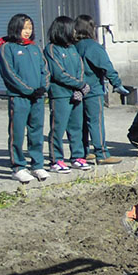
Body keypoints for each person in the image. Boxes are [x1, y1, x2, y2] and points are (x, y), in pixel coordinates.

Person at [0, 13, 50, 183]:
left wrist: (42, 88)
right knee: (17, 132)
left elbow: (45, 70)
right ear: (15, 28)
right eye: (24, 27)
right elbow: (9, 74)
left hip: (37, 98)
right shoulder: (6, 48)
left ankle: (37, 165)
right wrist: (28, 90)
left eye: (30, 28)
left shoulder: (35, 48)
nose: (27, 31)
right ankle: (18, 167)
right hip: (19, 98)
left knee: (36, 132)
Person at [74, 15, 131, 165]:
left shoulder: (73, 46)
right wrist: (117, 83)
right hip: (93, 90)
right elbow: (106, 67)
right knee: (95, 122)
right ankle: (102, 153)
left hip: (77, 90)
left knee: (81, 123)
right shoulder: (93, 47)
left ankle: (84, 152)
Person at [44, 16, 90, 173]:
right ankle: (56, 160)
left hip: (76, 94)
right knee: (58, 128)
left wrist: (79, 88)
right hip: (60, 95)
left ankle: (77, 156)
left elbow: (80, 68)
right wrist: (80, 84)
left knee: (76, 127)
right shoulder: (51, 49)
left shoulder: (72, 48)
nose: (75, 31)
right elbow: (58, 73)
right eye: (72, 29)